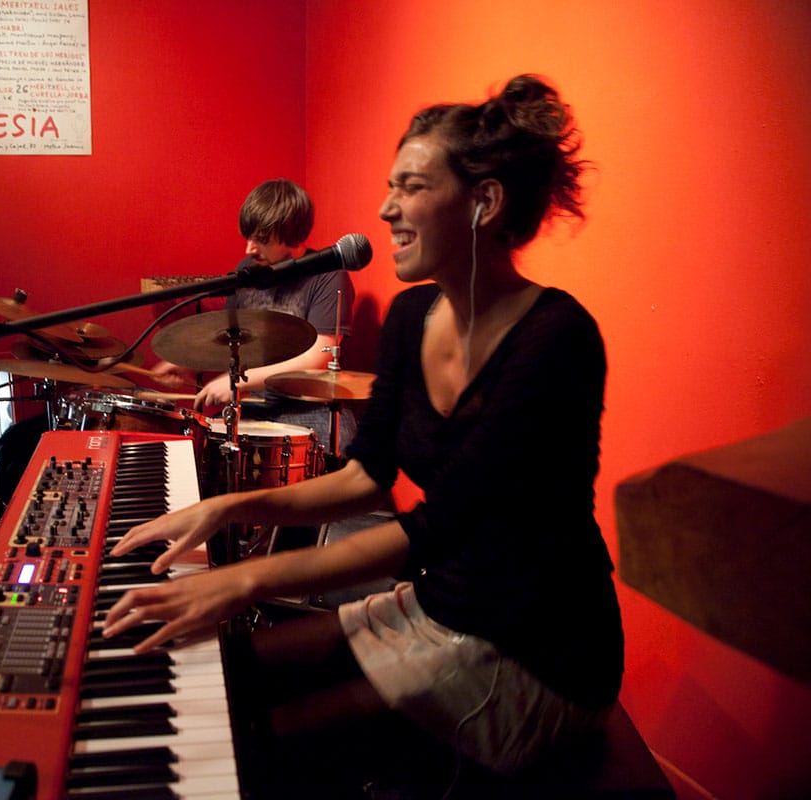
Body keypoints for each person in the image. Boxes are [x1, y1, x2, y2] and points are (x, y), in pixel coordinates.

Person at [104, 75, 624, 795]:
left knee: (266, 749)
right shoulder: (413, 318)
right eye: (389, 187)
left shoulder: (556, 339)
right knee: (229, 677)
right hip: (444, 604)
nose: (384, 209)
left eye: (409, 187)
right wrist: (226, 510)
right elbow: (365, 475)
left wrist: (241, 578)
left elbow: (441, 526)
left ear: (485, 202)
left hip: (536, 646)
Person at [151, 178, 358, 455]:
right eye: (248, 237)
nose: (249, 249)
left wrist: (239, 381)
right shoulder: (249, 270)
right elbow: (229, 340)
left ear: (292, 235)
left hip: (309, 407)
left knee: (338, 447)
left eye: (261, 240)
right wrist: (188, 363)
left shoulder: (328, 276)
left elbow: (317, 358)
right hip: (253, 404)